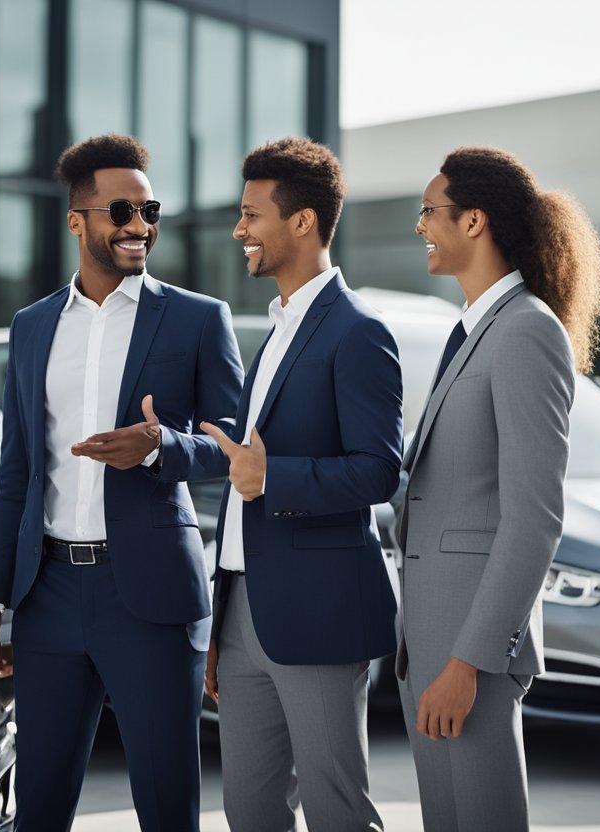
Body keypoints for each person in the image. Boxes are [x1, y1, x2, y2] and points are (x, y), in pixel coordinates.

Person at [0, 133, 243, 832]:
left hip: (147, 592)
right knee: (41, 807)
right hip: (49, 592)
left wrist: (159, 448)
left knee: (165, 800)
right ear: (78, 221)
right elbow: (17, 473)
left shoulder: (195, 318)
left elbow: (234, 450)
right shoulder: (31, 327)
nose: (139, 226)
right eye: (122, 210)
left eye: (151, 212)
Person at [395, 145, 600, 831]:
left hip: (470, 651)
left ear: (475, 221)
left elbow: (534, 519)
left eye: (430, 211)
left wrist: (469, 662)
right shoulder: (474, 330)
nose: (420, 225)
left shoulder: (525, 332)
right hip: (429, 641)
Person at [201, 137, 403, 832]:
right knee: (250, 811)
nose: (240, 231)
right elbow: (241, 465)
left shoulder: (358, 333)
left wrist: (273, 476)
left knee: (337, 810)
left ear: (303, 222)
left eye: (253, 215)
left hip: (317, 612)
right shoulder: (276, 330)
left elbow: (380, 469)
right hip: (242, 608)